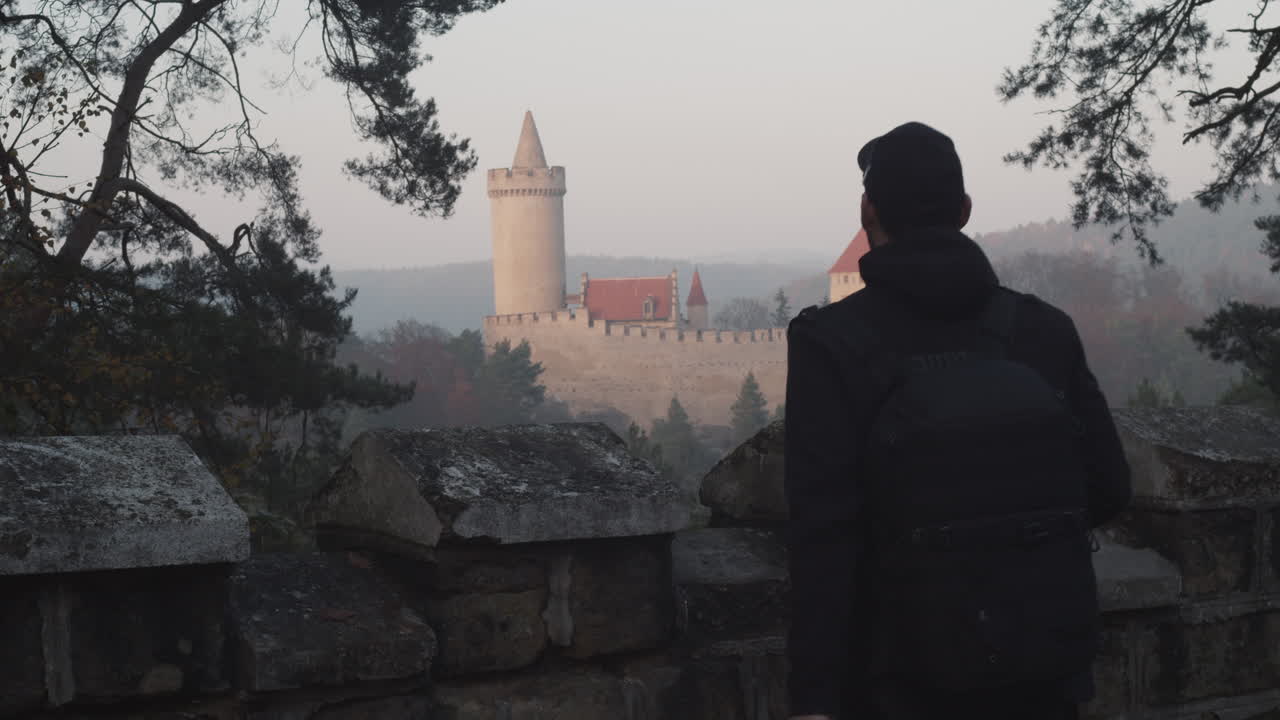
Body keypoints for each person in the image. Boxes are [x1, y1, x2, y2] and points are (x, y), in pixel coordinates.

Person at [783, 122, 1132, 720]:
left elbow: (823, 536)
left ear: (868, 211)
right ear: (965, 210)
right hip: (1038, 670)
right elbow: (1107, 489)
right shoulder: (1042, 329)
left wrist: (815, 697)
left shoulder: (831, 343)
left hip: (897, 677)